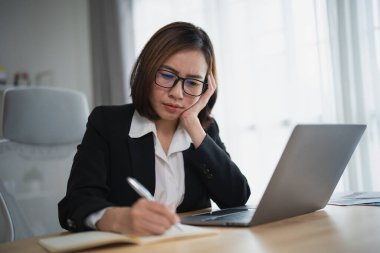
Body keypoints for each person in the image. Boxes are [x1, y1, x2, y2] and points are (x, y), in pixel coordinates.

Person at [58, 21, 251, 236]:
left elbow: (236, 198)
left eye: (193, 83)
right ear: (147, 72)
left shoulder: (203, 130)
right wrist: (118, 219)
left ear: (206, 87)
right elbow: (75, 202)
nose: (178, 93)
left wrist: (192, 124)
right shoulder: (107, 123)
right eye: (167, 76)